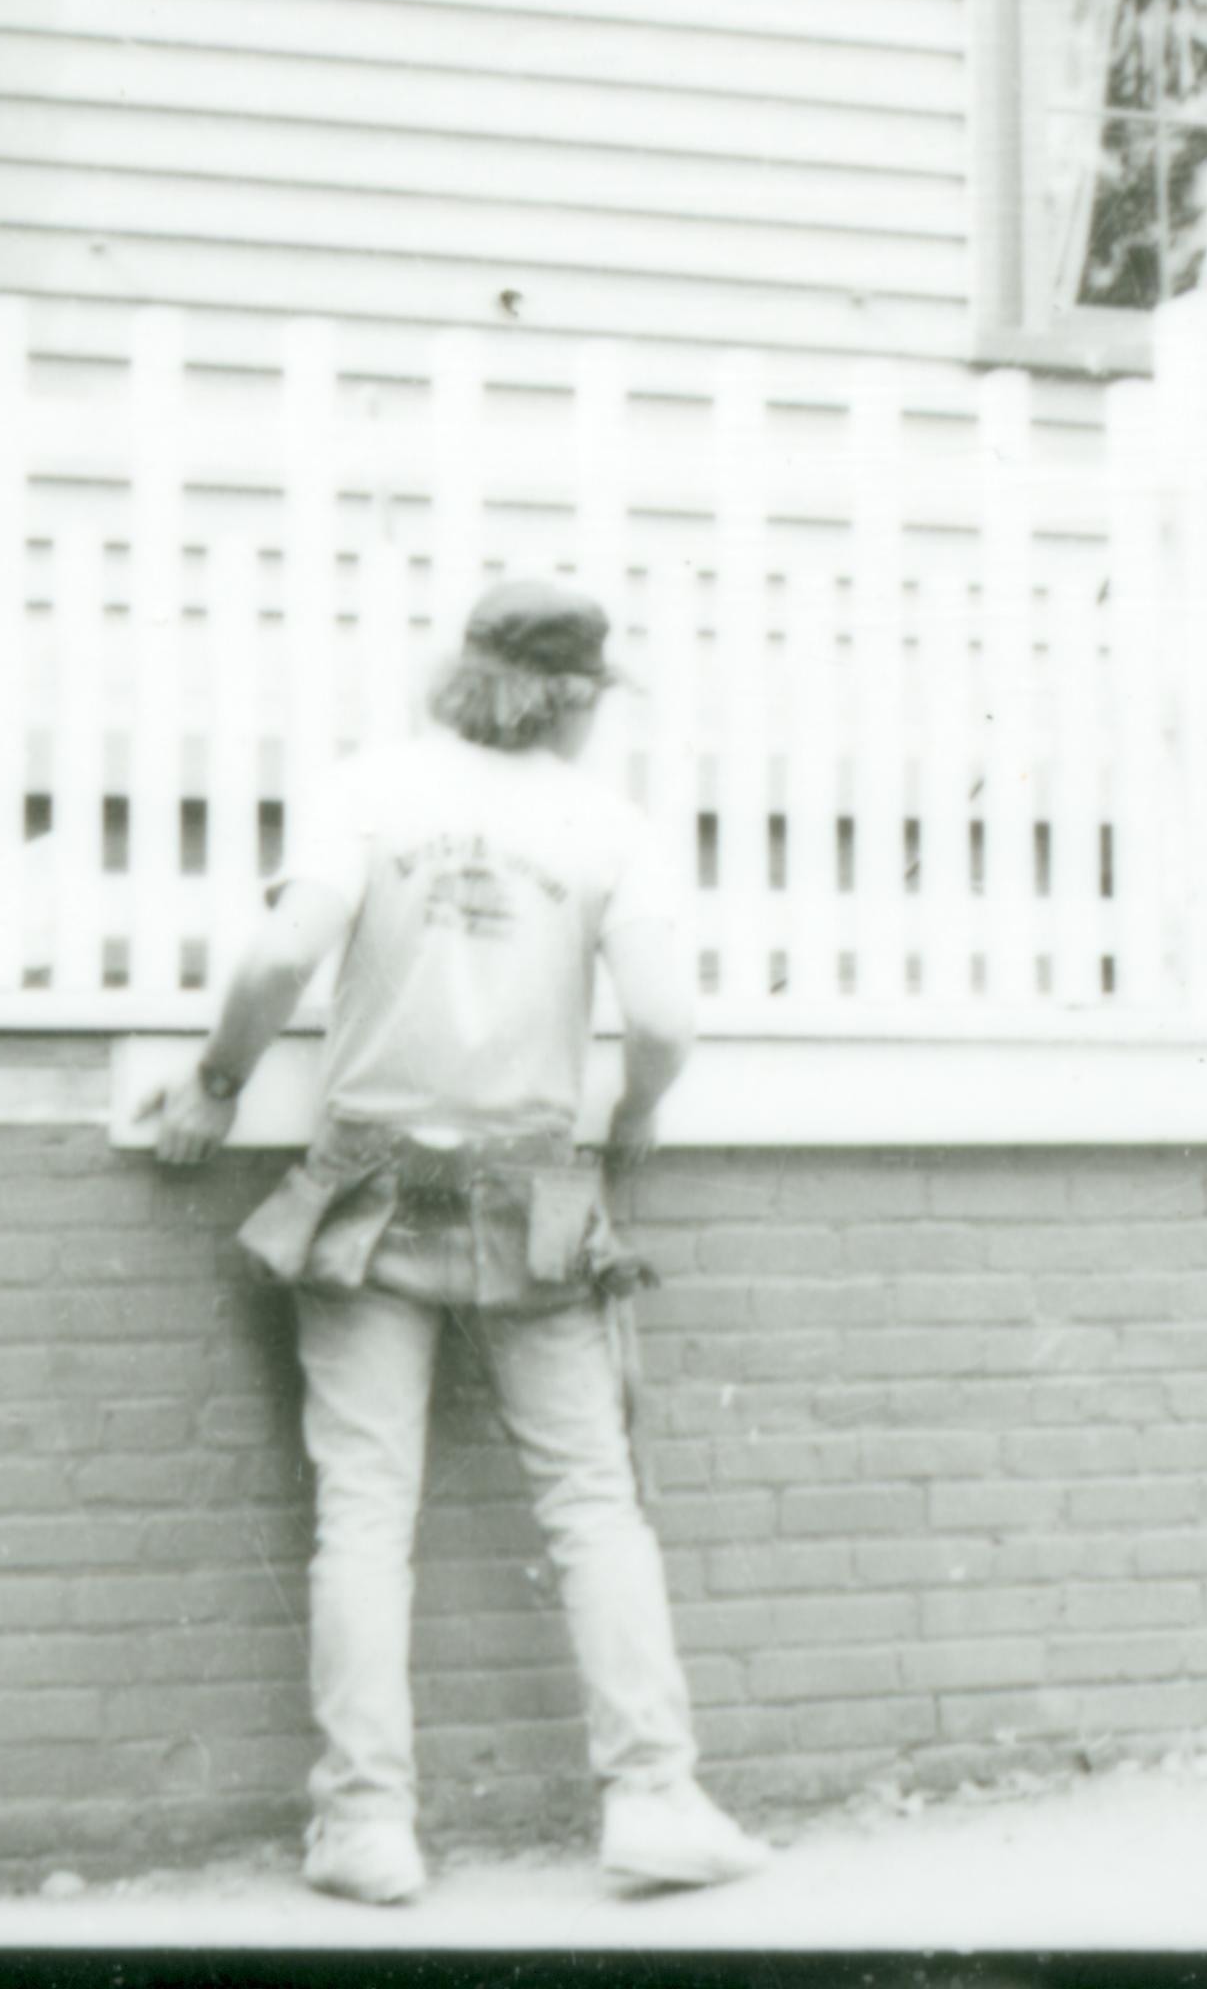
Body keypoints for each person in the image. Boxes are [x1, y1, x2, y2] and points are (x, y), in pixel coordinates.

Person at [140, 580, 769, 1905]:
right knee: (594, 1503)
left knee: (364, 1512)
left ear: (462, 670)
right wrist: (636, 1111)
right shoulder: (607, 825)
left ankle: (366, 1827)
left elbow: (277, 958)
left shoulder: (368, 789)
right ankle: (653, 1797)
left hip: (365, 1187)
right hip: (533, 1196)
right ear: (581, 698)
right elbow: (663, 1017)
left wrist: (215, 1081)